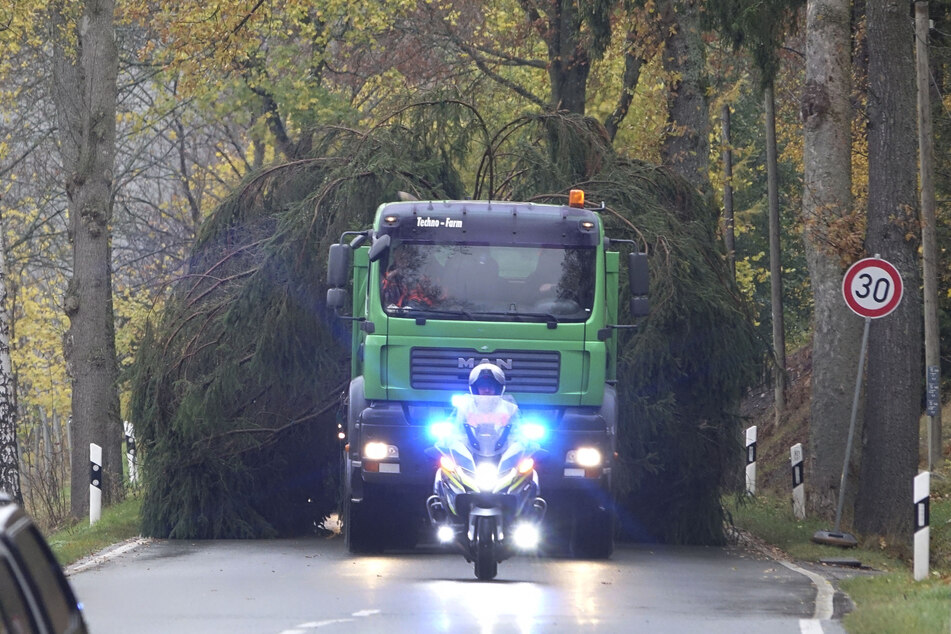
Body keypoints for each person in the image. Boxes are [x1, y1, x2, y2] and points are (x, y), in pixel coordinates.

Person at [455, 363, 519, 451]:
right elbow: (456, 430)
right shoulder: (465, 407)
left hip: (503, 452)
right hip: (470, 451)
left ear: (498, 387)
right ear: (475, 388)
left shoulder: (510, 408)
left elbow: (517, 432)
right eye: (482, 386)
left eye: (490, 386)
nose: (487, 390)